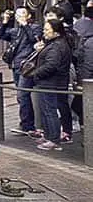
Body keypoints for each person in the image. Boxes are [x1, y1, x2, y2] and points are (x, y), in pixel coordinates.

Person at [29, 18, 73, 151]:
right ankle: (49, 136)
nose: (44, 32)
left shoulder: (57, 46)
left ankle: (53, 138)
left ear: (56, 32)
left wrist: (35, 73)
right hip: (50, 82)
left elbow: (51, 66)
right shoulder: (54, 44)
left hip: (51, 83)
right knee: (47, 110)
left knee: (49, 111)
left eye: (47, 30)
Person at [0, 6, 42, 135]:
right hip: (16, 65)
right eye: (17, 14)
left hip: (27, 66)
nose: (19, 16)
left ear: (28, 16)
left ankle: (28, 126)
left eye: (22, 13)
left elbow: (35, 39)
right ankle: (26, 124)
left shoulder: (34, 27)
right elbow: (1, 35)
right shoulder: (15, 30)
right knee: (21, 96)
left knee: (22, 95)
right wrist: (5, 21)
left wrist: (25, 25)